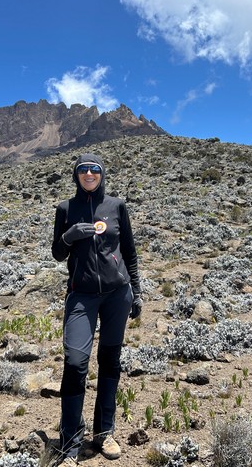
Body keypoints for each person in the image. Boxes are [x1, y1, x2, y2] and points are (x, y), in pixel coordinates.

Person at [51, 153, 142, 466]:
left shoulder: (117, 206)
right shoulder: (65, 208)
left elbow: (129, 251)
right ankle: (70, 440)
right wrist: (68, 236)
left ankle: (104, 432)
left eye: (94, 169)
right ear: (75, 175)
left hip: (118, 294)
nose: (89, 174)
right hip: (82, 296)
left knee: (109, 360)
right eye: (83, 170)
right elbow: (57, 253)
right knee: (75, 362)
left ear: (102, 174)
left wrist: (136, 291)